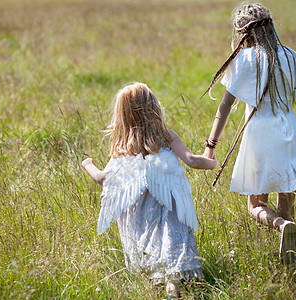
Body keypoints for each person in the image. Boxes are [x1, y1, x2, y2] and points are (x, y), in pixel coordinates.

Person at [202, 3, 296, 265]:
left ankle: (279, 225)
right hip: (291, 134)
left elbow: (225, 106)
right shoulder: (289, 55)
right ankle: (290, 257)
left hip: (260, 136)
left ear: (243, 33)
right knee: (287, 201)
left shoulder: (243, 59)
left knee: (255, 206)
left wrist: (211, 145)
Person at [82, 82, 217, 298]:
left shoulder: (122, 144)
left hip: (140, 212)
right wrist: (212, 161)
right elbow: (191, 161)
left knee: (152, 248)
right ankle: (173, 290)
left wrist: (88, 164)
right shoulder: (166, 136)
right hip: (169, 205)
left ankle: (164, 287)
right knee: (172, 244)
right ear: (153, 107)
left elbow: (102, 178)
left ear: (122, 114)